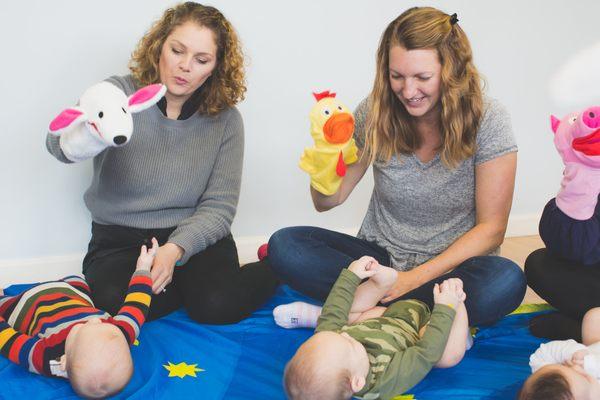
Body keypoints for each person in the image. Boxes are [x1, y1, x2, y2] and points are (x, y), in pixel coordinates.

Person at [267, 6, 526, 327]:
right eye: (397, 76)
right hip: (379, 261)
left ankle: (355, 313)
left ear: (452, 71)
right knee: (286, 246)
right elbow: (327, 202)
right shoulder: (375, 111)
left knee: (505, 281)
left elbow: (492, 229)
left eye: (422, 77)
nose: (408, 90)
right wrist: (325, 153)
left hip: (450, 271)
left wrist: (411, 279)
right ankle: (425, 318)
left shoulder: (489, 118)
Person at [45, 2, 278, 323]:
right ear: (159, 46)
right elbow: (57, 146)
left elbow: (219, 209)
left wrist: (175, 250)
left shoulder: (226, 121)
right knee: (114, 301)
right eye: (177, 51)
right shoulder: (115, 94)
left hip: (192, 233)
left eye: (201, 59)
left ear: (216, 66)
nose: (185, 66)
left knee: (217, 306)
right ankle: (187, 285)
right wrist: (88, 135)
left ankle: (272, 263)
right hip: (120, 238)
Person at [284, 256, 469, 400]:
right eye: (351, 345)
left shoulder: (333, 344)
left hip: (385, 312)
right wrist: (446, 308)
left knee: (346, 316)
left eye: (338, 335)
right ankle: (457, 304)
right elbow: (425, 354)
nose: (347, 335)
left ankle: (381, 282)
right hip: (419, 326)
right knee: (447, 356)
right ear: (357, 382)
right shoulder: (385, 379)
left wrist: (351, 275)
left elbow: (333, 312)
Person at [0, 240, 156, 398]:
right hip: (73, 295)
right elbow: (136, 306)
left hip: (29, 303)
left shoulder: (44, 356)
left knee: (5, 308)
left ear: (63, 362)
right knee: (78, 280)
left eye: (83, 327)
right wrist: (143, 269)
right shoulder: (120, 333)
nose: (95, 320)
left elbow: (9, 340)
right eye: (104, 324)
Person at [518, 307, 600, 400]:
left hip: (594, 345)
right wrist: (592, 364)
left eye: (567, 367)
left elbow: (543, 354)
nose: (577, 367)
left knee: (594, 317)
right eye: (586, 378)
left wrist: (573, 353)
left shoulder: (544, 380)